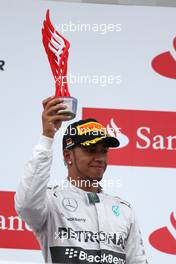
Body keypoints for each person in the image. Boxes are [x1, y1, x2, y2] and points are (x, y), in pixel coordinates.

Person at [15, 96, 148, 264]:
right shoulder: (52, 202)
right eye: (91, 150)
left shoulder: (123, 210)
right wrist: (47, 137)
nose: (100, 158)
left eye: (104, 151)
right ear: (68, 156)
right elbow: (26, 205)